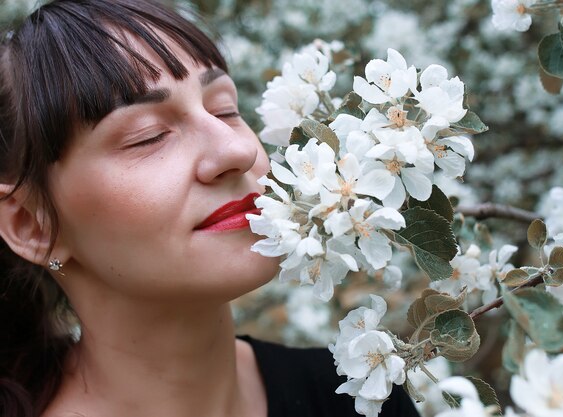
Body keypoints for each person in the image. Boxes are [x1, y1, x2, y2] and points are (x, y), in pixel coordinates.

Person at [0, 1, 419, 416]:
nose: (236, 149)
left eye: (225, 109)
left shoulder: (363, 402)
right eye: (147, 136)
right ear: (31, 225)